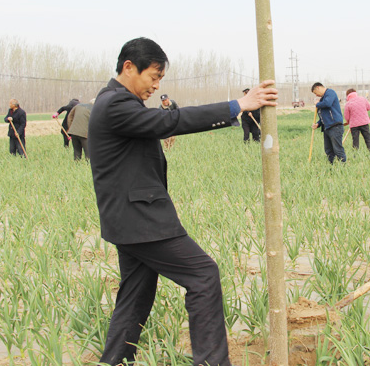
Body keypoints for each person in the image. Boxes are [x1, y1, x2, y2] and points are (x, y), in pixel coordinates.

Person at [87, 37, 277, 366]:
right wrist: (237, 105)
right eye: (153, 77)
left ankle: (115, 361)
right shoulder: (115, 104)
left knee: (135, 296)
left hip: (128, 220)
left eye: (160, 79)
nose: (156, 86)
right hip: (141, 220)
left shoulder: (117, 101)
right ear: (129, 67)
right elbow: (169, 122)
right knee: (203, 275)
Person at [311, 82, 346, 163]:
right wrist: (318, 124)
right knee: (329, 150)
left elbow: (328, 104)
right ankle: (331, 166)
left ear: (318, 88)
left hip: (335, 126)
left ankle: (343, 167)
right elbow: (323, 115)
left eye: (315, 93)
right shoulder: (323, 99)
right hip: (327, 127)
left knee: (338, 150)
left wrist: (318, 104)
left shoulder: (330, 93)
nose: (316, 95)